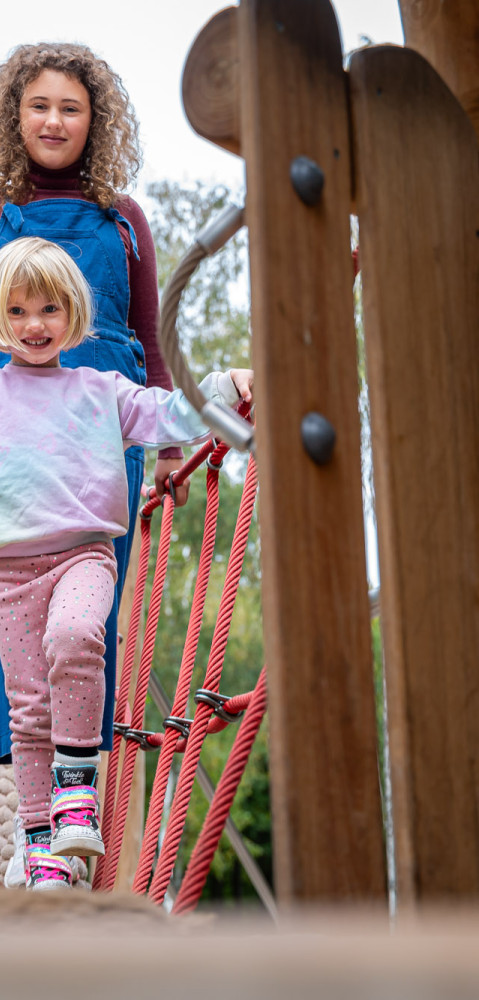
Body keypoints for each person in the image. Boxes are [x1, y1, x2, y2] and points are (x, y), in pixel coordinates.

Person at [0, 235, 253, 890]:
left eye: (50, 309)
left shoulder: (99, 390)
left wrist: (225, 384)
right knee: (28, 710)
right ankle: (41, 852)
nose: (34, 325)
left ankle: (75, 797)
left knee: (76, 636)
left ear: (74, 316)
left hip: (84, 552)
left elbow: (169, 413)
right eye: (19, 310)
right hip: (9, 574)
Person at [0, 42, 189, 776]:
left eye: (70, 108)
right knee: (13, 602)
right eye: (38, 105)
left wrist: (170, 449)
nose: (53, 120)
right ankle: (20, 787)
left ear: (94, 121)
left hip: (105, 429)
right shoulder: (4, 214)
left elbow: (147, 333)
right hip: (17, 429)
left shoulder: (121, 217)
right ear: (15, 116)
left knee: (84, 608)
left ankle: (79, 776)